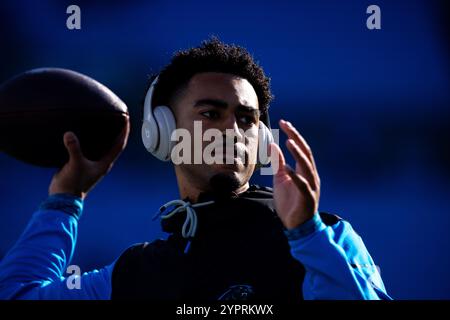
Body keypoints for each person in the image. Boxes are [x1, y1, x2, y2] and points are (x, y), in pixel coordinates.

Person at [0, 38, 391, 300]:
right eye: (210, 113)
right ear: (162, 131)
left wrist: (307, 234)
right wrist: (66, 199)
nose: (232, 131)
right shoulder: (134, 274)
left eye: (246, 118)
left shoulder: (325, 238)